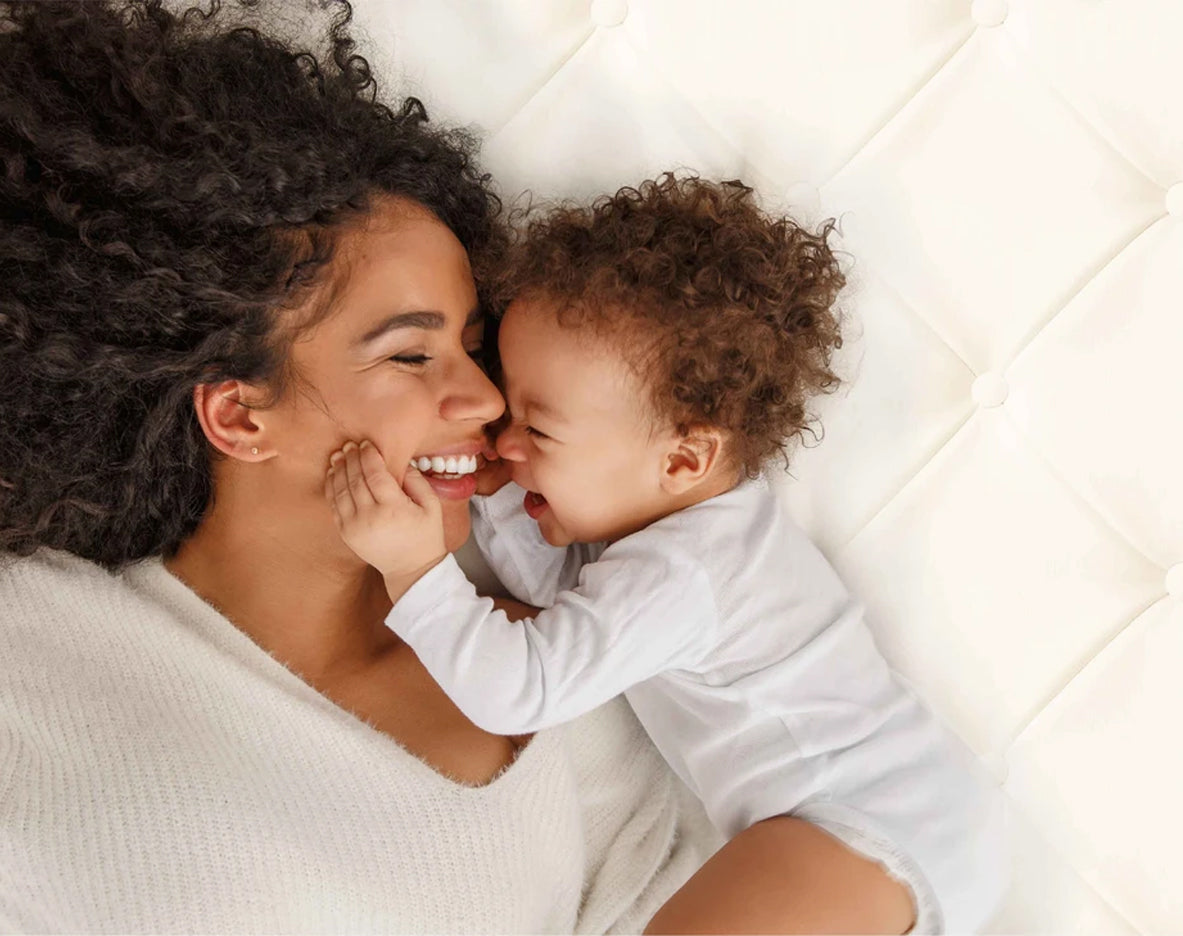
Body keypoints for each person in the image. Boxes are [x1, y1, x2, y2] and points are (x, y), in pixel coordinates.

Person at [0, 1, 1002, 931]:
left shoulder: (582, 670)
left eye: (476, 349)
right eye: (410, 353)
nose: (484, 403)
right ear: (238, 412)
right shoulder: (37, 638)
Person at [324, 175, 1007, 935]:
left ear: (684, 460)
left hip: (865, 822)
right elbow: (559, 597)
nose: (503, 441)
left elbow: (525, 684)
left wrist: (414, 570)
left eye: (537, 432)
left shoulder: (688, 569)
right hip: (892, 824)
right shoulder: (674, 530)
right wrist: (501, 489)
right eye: (510, 414)